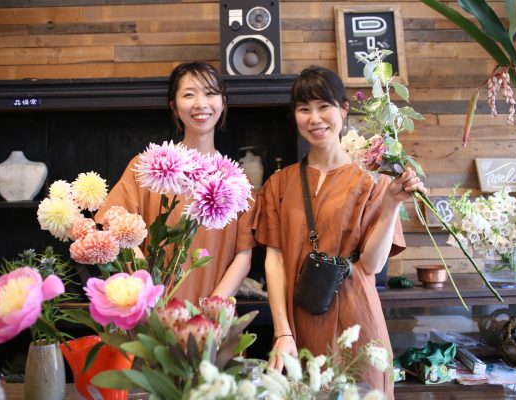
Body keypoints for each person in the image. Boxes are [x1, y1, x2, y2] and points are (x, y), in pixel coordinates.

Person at [253, 66, 426, 398]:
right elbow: (274, 259)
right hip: (297, 326)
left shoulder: (372, 183)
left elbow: (371, 266)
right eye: (304, 109)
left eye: (324, 106)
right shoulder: (279, 184)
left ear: (343, 110)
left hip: (357, 323)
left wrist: (391, 204)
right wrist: (282, 331)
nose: (314, 118)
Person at [95, 61, 255, 303]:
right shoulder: (146, 166)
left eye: (210, 93)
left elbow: (243, 255)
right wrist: (149, 294)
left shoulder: (237, 182)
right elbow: (115, 225)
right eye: (189, 95)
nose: (201, 104)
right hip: (150, 309)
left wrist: (211, 309)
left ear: (223, 102)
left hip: (212, 315)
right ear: (174, 107)